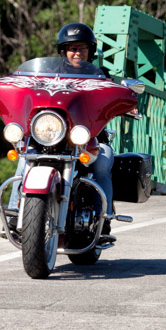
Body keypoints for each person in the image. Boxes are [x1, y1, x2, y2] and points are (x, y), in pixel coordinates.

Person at [53, 22, 117, 216]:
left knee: (103, 161)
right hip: (55, 137)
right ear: (64, 51)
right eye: (72, 48)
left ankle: (103, 217)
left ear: (91, 51)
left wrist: (125, 104)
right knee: (25, 157)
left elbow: (115, 95)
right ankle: (16, 209)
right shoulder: (51, 74)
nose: (77, 52)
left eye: (82, 48)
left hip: (91, 138)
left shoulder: (100, 76)